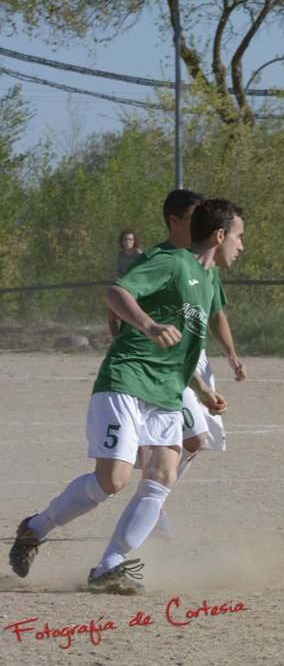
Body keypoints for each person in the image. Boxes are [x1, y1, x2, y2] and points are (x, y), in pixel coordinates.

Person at [8, 199, 246, 593]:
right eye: (239, 237)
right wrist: (149, 325)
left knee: (163, 476)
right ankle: (35, 528)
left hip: (167, 392)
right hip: (127, 380)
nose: (242, 246)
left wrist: (202, 390)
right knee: (113, 481)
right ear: (220, 235)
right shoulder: (172, 262)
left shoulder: (208, 281)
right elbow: (116, 293)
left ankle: (110, 564)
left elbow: (185, 348)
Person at [134, 190, 247, 536]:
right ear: (175, 221)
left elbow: (216, 312)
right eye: (194, 217)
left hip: (194, 360)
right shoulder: (159, 259)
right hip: (164, 362)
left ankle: (153, 495)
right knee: (192, 437)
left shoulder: (206, 266)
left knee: (198, 440)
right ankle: (152, 499)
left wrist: (230, 354)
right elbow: (122, 299)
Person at [108, 229, 144, 337]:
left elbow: (141, 273)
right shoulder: (121, 254)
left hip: (135, 288)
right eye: (125, 239)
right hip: (122, 286)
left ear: (134, 241)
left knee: (133, 315)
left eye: (130, 239)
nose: (128, 242)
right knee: (112, 312)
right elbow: (119, 271)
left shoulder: (138, 254)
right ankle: (116, 339)